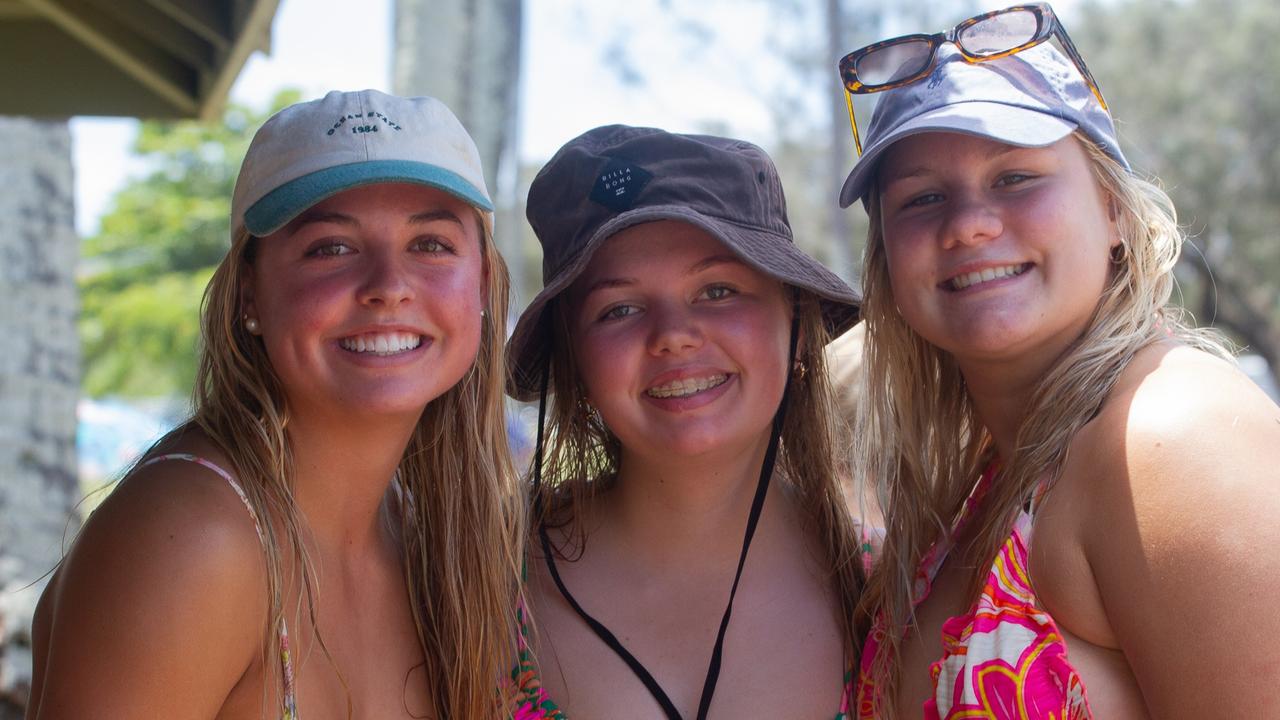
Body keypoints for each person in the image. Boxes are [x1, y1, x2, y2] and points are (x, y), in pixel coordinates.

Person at [836, 5, 1280, 719]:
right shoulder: (982, 484)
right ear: (887, 260)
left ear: (1113, 209)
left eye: (1015, 177)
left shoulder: (1173, 439)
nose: (968, 224)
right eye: (922, 198)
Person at [29, 90, 527, 719]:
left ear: (482, 284)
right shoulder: (194, 538)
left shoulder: (421, 529)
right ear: (248, 296)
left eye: (429, 244)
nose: (389, 287)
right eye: (330, 248)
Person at [505, 125, 868, 719]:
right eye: (618, 309)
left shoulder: (890, 597)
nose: (673, 335)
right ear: (574, 361)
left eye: (718, 290)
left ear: (797, 324)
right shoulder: (477, 583)